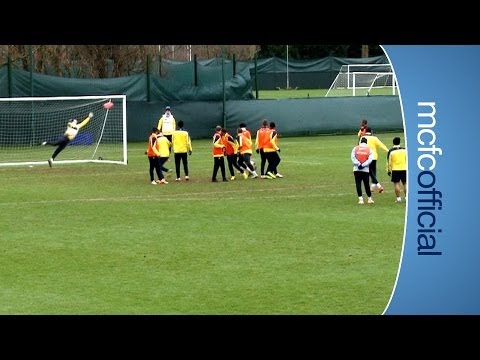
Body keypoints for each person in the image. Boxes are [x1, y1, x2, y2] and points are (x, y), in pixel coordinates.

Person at [361, 127, 388, 193]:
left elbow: (360, 147)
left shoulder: (362, 138)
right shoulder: (374, 138)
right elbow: (382, 145)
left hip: (366, 157)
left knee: (370, 172)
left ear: (365, 131)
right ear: (371, 131)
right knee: (373, 171)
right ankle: (372, 187)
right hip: (374, 157)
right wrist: (388, 151)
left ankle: (378, 186)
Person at [351, 137, 374, 204]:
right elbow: (370, 159)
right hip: (365, 169)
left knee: (358, 184)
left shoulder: (355, 148)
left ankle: (360, 199)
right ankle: (369, 198)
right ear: (366, 142)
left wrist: (358, 164)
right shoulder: (369, 149)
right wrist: (363, 165)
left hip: (356, 169)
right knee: (366, 184)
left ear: (360, 142)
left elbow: (353, 157)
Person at [387, 136, 407, 203]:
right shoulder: (404, 150)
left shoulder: (391, 151)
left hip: (395, 170)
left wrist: (388, 170)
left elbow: (389, 162)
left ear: (393, 143)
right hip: (404, 168)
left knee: (396, 184)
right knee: (405, 183)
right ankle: (406, 197)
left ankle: (398, 198)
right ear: (399, 142)